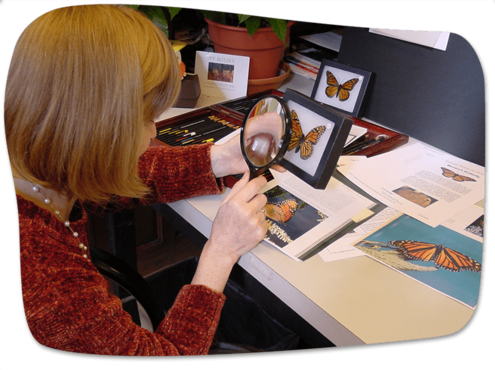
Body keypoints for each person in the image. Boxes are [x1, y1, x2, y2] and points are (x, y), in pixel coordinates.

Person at [6, 4, 277, 356]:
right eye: (147, 116)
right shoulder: (46, 283)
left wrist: (220, 157)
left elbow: (111, 174)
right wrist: (220, 252)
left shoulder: (39, 160)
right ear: (95, 128)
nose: (152, 131)